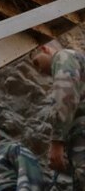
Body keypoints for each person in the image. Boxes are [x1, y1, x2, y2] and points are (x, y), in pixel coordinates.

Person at [32, 40, 85, 186]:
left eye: (36, 63)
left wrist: (56, 141)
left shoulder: (64, 56)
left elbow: (66, 95)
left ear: (44, 48)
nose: (38, 70)